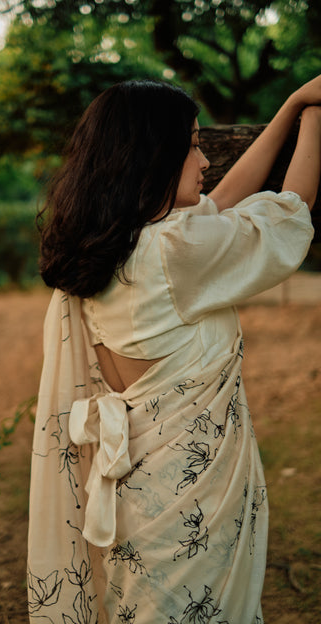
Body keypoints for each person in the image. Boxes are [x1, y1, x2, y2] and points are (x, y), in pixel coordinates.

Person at [27, 77, 321, 623]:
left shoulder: (118, 244)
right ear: (153, 155)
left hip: (136, 495)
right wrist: (314, 117)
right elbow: (290, 211)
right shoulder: (177, 251)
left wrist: (292, 104)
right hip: (191, 503)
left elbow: (222, 202)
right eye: (190, 143)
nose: (204, 158)